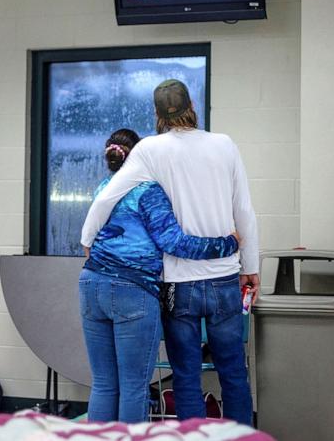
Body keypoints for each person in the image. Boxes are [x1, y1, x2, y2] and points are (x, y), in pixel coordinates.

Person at [80, 80, 259, 426]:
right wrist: (249, 265)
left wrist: (87, 240)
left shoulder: (150, 149)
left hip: (179, 285)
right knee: (234, 373)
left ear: (156, 113)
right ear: (192, 103)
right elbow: (245, 211)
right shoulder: (224, 145)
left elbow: (106, 198)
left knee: (186, 376)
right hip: (224, 278)